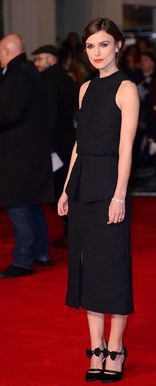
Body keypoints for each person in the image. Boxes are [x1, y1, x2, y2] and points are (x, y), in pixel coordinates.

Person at [58, 18, 139, 383]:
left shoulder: (126, 88)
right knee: (86, 265)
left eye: (104, 45)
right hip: (81, 183)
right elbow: (79, 143)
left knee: (113, 266)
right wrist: (65, 189)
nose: (97, 53)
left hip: (109, 182)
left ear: (118, 46)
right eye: (91, 46)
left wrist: (119, 195)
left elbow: (125, 149)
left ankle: (117, 347)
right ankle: (96, 346)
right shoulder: (85, 88)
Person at [0, 34, 54, 278]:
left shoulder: (18, 73)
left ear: (7, 50)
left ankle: (23, 260)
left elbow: (9, 113)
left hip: (18, 153)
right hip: (32, 150)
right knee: (31, 204)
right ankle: (40, 252)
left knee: (18, 204)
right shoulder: (29, 71)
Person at [32, 44, 77, 247]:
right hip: (68, 142)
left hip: (55, 146)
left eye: (40, 59)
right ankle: (72, 232)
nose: (36, 63)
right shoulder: (66, 79)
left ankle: (73, 232)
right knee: (65, 189)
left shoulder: (49, 82)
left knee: (56, 191)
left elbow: (50, 116)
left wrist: (45, 145)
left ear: (52, 59)